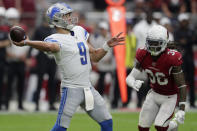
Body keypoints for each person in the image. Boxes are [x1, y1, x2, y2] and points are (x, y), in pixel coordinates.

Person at [12, 2, 124, 131]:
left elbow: (94, 57)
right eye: (66, 15)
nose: (70, 17)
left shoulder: (79, 30)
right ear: (56, 19)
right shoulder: (53, 38)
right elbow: (50, 46)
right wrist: (27, 42)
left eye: (70, 14)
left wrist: (107, 46)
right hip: (71, 89)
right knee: (61, 127)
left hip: (88, 87)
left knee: (107, 122)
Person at [126, 25, 187, 131]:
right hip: (153, 94)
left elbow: (181, 85)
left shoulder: (172, 58)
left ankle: (173, 126)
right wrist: (132, 82)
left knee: (160, 127)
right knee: (142, 128)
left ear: (164, 42)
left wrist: (182, 109)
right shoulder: (143, 54)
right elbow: (130, 77)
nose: (153, 46)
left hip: (169, 97)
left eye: (157, 43)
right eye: (151, 42)